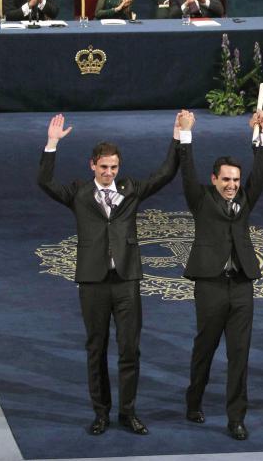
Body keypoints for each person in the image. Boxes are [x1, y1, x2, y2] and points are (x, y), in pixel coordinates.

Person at [36, 112, 184, 436]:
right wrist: (52, 144)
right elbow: (45, 182)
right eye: (103, 167)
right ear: (92, 166)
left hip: (127, 280)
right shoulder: (78, 193)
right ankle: (100, 412)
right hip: (92, 282)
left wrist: (177, 135)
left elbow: (166, 173)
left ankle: (127, 412)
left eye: (114, 167)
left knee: (130, 348)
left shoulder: (131, 189)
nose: (109, 173)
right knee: (97, 348)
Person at [179, 110, 263, 441]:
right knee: (205, 347)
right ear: (214, 179)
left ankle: (236, 418)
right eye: (226, 179)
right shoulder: (201, 199)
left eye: (236, 180)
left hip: (242, 285)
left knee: (239, 354)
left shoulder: (245, 198)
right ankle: (194, 401)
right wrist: (185, 134)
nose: (232, 185)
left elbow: (260, 173)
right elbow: (187, 173)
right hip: (210, 286)